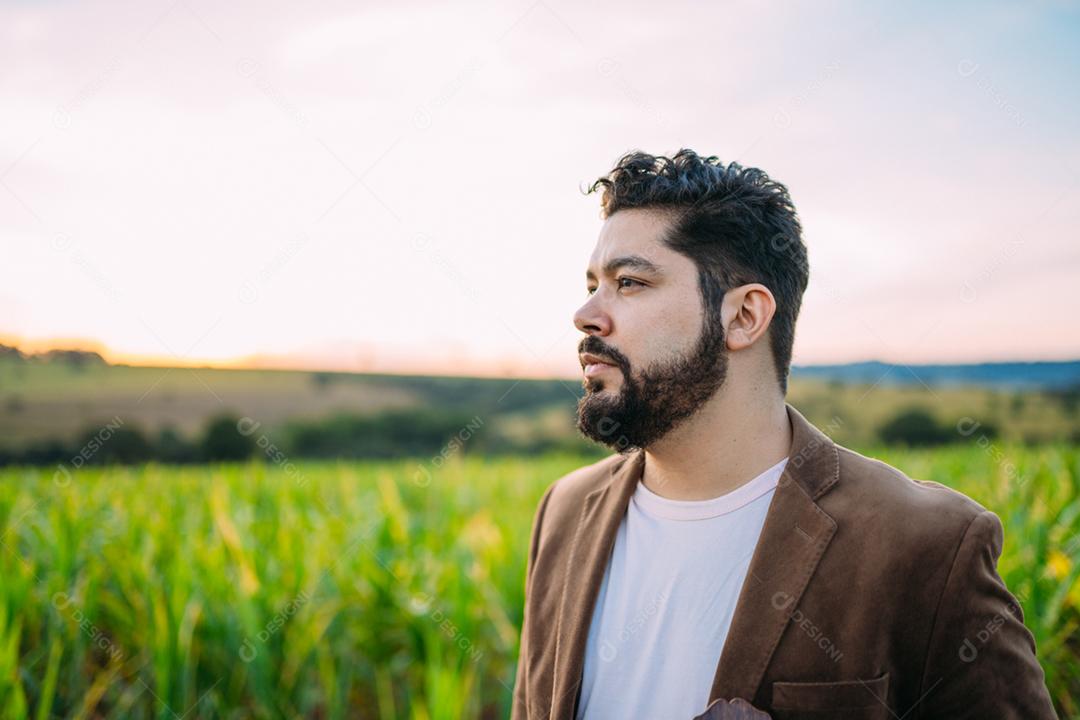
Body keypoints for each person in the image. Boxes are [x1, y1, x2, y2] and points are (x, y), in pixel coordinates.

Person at [509, 149, 1057, 719]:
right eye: (593, 283)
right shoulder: (564, 512)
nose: (586, 313)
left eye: (629, 282)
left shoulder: (927, 547)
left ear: (745, 316)